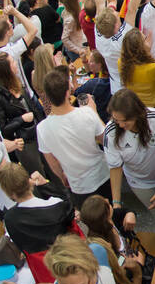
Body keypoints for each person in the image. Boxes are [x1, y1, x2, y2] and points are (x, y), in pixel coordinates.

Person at [36, 68, 111, 207]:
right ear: (67, 92)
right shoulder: (87, 113)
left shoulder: (42, 129)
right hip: (101, 174)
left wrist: (62, 176)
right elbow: (107, 139)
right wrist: (94, 113)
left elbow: (53, 163)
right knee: (112, 211)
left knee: (94, 219)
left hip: (78, 184)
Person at [104, 88, 155, 217]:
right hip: (140, 182)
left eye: (125, 121)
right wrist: (116, 203)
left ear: (137, 114)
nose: (121, 125)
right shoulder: (111, 132)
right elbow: (115, 167)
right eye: (116, 120)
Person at [0, 163, 75, 256]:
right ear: (29, 181)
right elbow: (70, 210)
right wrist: (46, 185)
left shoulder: (10, 219)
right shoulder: (55, 204)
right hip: (68, 254)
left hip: (41, 265)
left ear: (8, 193)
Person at [0, 52, 48, 178]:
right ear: (7, 70)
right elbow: (3, 129)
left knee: (50, 166)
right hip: (24, 142)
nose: (16, 63)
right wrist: (21, 119)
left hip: (37, 132)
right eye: (12, 62)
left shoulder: (17, 83)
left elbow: (33, 107)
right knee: (38, 175)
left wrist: (43, 125)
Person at [117, 28, 155, 110]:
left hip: (136, 108)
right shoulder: (152, 68)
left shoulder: (121, 63)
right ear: (141, 48)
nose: (147, 40)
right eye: (145, 39)